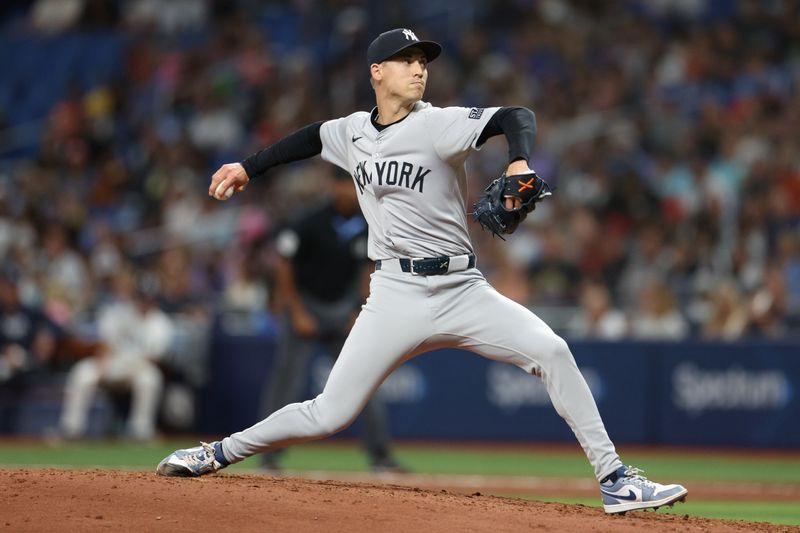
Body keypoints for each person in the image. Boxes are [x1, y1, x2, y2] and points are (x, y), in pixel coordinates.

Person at [157, 28, 687, 514]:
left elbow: (515, 116)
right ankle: (217, 452)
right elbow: (306, 138)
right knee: (329, 413)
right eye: (405, 60)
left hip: (462, 288)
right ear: (376, 72)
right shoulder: (351, 133)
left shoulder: (439, 123)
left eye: (422, 60)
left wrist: (519, 161)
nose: (418, 68)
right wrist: (247, 167)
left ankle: (614, 479)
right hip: (395, 293)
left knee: (552, 350)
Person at [261, 166, 405, 473]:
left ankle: (380, 455)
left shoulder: (368, 222)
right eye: (342, 184)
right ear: (331, 186)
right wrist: (297, 312)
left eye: (352, 185)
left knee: (364, 380)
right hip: (306, 306)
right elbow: (284, 265)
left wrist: (359, 311)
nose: (346, 191)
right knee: (287, 383)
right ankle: (268, 455)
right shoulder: (309, 220)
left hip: (341, 309)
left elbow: (369, 270)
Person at [60, 267, 174, 440]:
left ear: (153, 300)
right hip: (111, 363)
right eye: (141, 297)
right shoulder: (119, 312)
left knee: (150, 378)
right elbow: (104, 342)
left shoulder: (161, 322)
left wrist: (132, 364)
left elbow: (155, 358)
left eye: (147, 298)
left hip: (138, 368)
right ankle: (71, 429)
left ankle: (140, 430)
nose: (144, 302)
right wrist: (102, 362)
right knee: (82, 373)